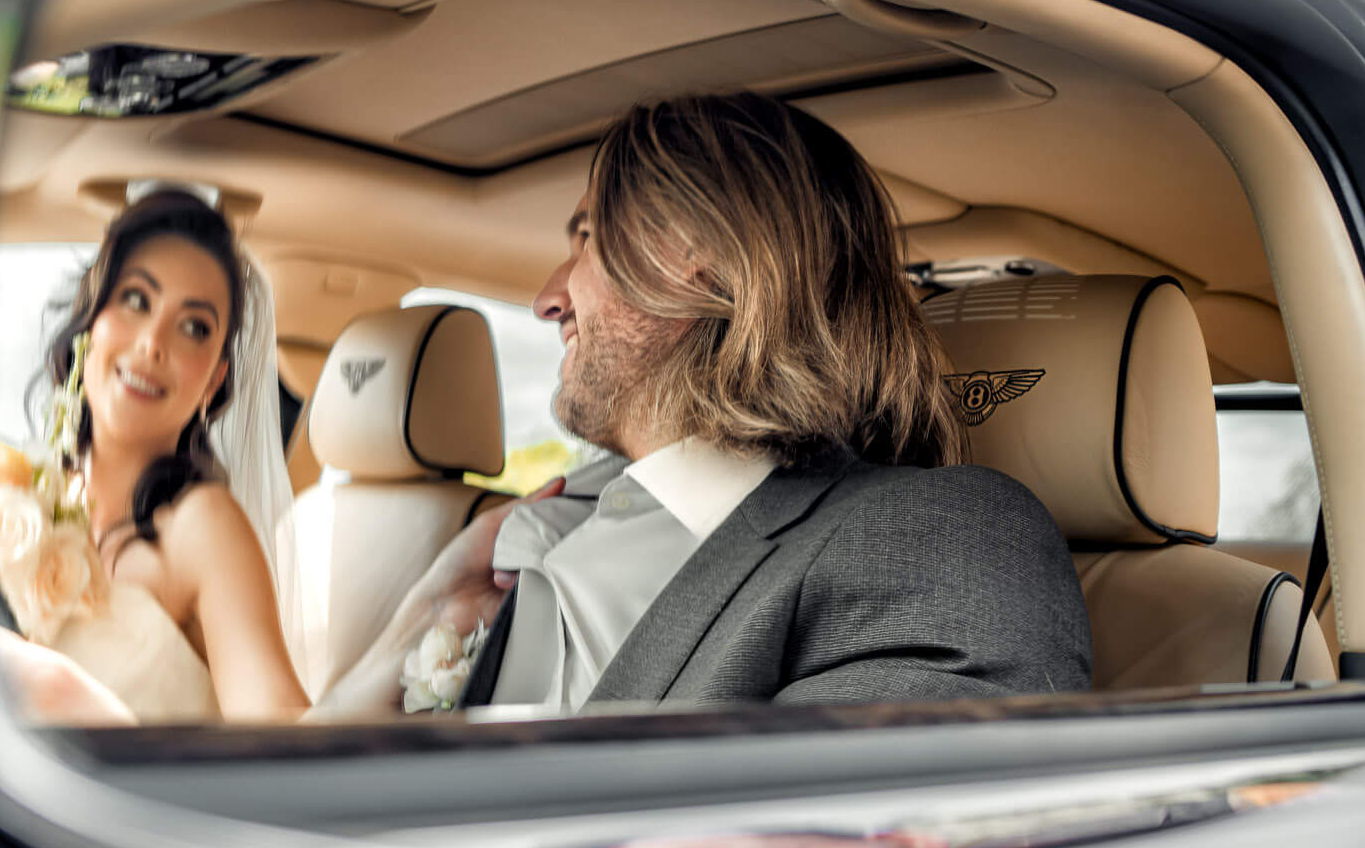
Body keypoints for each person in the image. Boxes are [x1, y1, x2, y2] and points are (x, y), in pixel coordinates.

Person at [323, 92, 1090, 715]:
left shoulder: (939, 539)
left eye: (588, 238)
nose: (545, 299)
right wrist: (421, 625)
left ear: (704, 259)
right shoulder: (533, 531)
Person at [0, 188, 309, 723]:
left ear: (214, 381)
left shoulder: (202, 527)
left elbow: (278, 728)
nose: (153, 343)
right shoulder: (21, 491)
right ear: (91, 321)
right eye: (137, 299)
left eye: (194, 327)